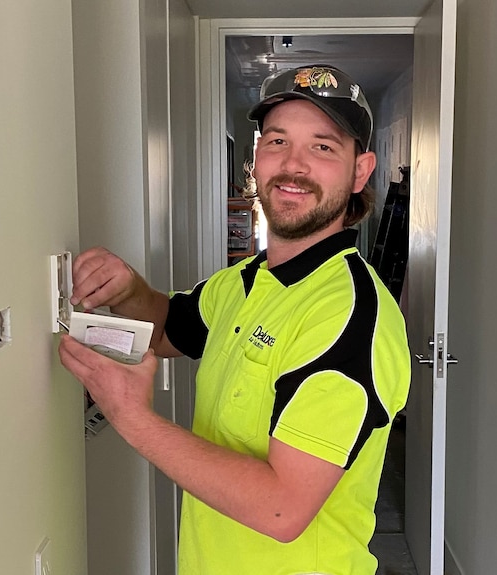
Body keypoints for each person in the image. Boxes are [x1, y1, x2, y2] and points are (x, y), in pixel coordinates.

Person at [58, 64, 411, 575]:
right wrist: (129, 290)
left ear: (360, 171)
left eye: (323, 147)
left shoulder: (351, 314)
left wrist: (132, 416)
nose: (293, 165)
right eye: (276, 141)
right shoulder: (244, 281)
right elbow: (169, 329)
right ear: (256, 159)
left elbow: (283, 507)